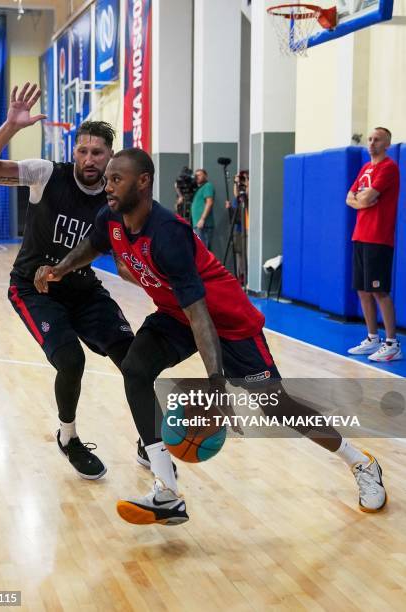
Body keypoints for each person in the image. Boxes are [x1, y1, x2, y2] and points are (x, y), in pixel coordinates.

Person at [35, 148, 387, 525]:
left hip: (227, 323)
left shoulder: (169, 234)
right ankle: (167, 490)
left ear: (143, 181)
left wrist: (217, 382)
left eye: (116, 179)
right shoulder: (111, 218)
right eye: (106, 179)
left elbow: (200, 315)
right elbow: (93, 246)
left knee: (276, 405)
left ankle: (360, 462)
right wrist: (60, 268)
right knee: (136, 369)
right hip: (175, 315)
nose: (107, 186)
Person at [0, 82, 135, 480]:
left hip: (83, 289)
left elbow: (127, 262)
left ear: (111, 157)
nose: (89, 159)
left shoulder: (115, 200)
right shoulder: (47, 174)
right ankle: (69, 436)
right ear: (74, 151)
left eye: (98, 152)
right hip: (32, 287)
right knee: (70, 360)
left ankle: (150, 440)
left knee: (134, 359)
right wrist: (10, 126)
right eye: (83, 150)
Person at [346, 127, 402, 362]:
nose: (371, 143)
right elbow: (350, 198)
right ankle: (372, 338)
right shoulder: (365, 168)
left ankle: (392, 343)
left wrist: (362, 199)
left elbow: (365, 197)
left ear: (387, 144)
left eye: (377, 140)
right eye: (369, 139)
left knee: (379, 290)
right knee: (362, 289)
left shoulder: (388, 168)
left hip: (378, 237)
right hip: (360, 235)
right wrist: (363, 200)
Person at [191, 169, 215, 249]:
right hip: (197, 225)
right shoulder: (198, 188)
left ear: (206, 176)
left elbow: (209, 202)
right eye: (196, 175)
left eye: (199, 175)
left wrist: (202, 219)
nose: (197, 177)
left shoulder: (207, 186)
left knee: (203, 250)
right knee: (199, 250)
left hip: (204, 225)